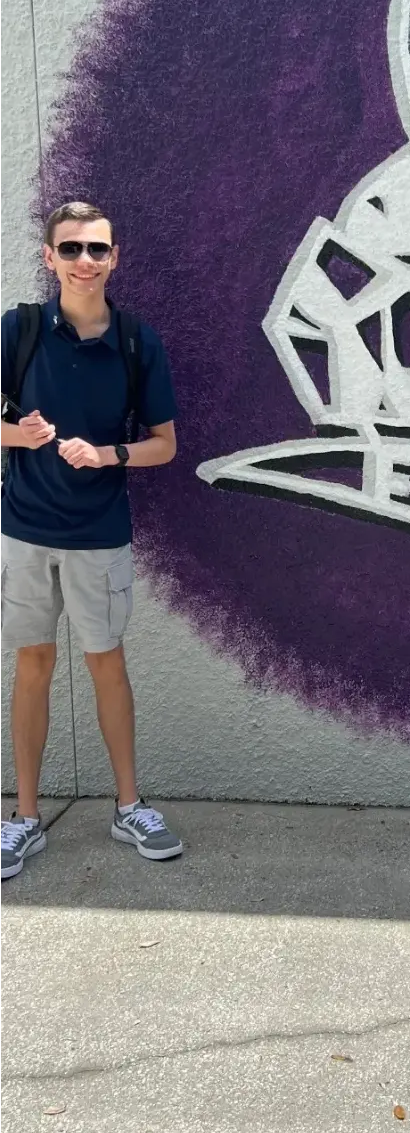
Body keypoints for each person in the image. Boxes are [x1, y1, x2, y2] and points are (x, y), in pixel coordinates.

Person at [0, 202, 182, 880]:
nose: (84, 261)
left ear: (114, 258)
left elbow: (165, 446)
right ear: (48, 257)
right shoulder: (17, 331)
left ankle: (128, 805)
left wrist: (108, 455)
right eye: (70, 249)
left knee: (108, 664)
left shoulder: (138, 342)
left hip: (100, 538)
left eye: (96, 250)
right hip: (23, 533)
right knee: (32, 666)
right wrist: (21, 436)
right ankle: (22, 819)